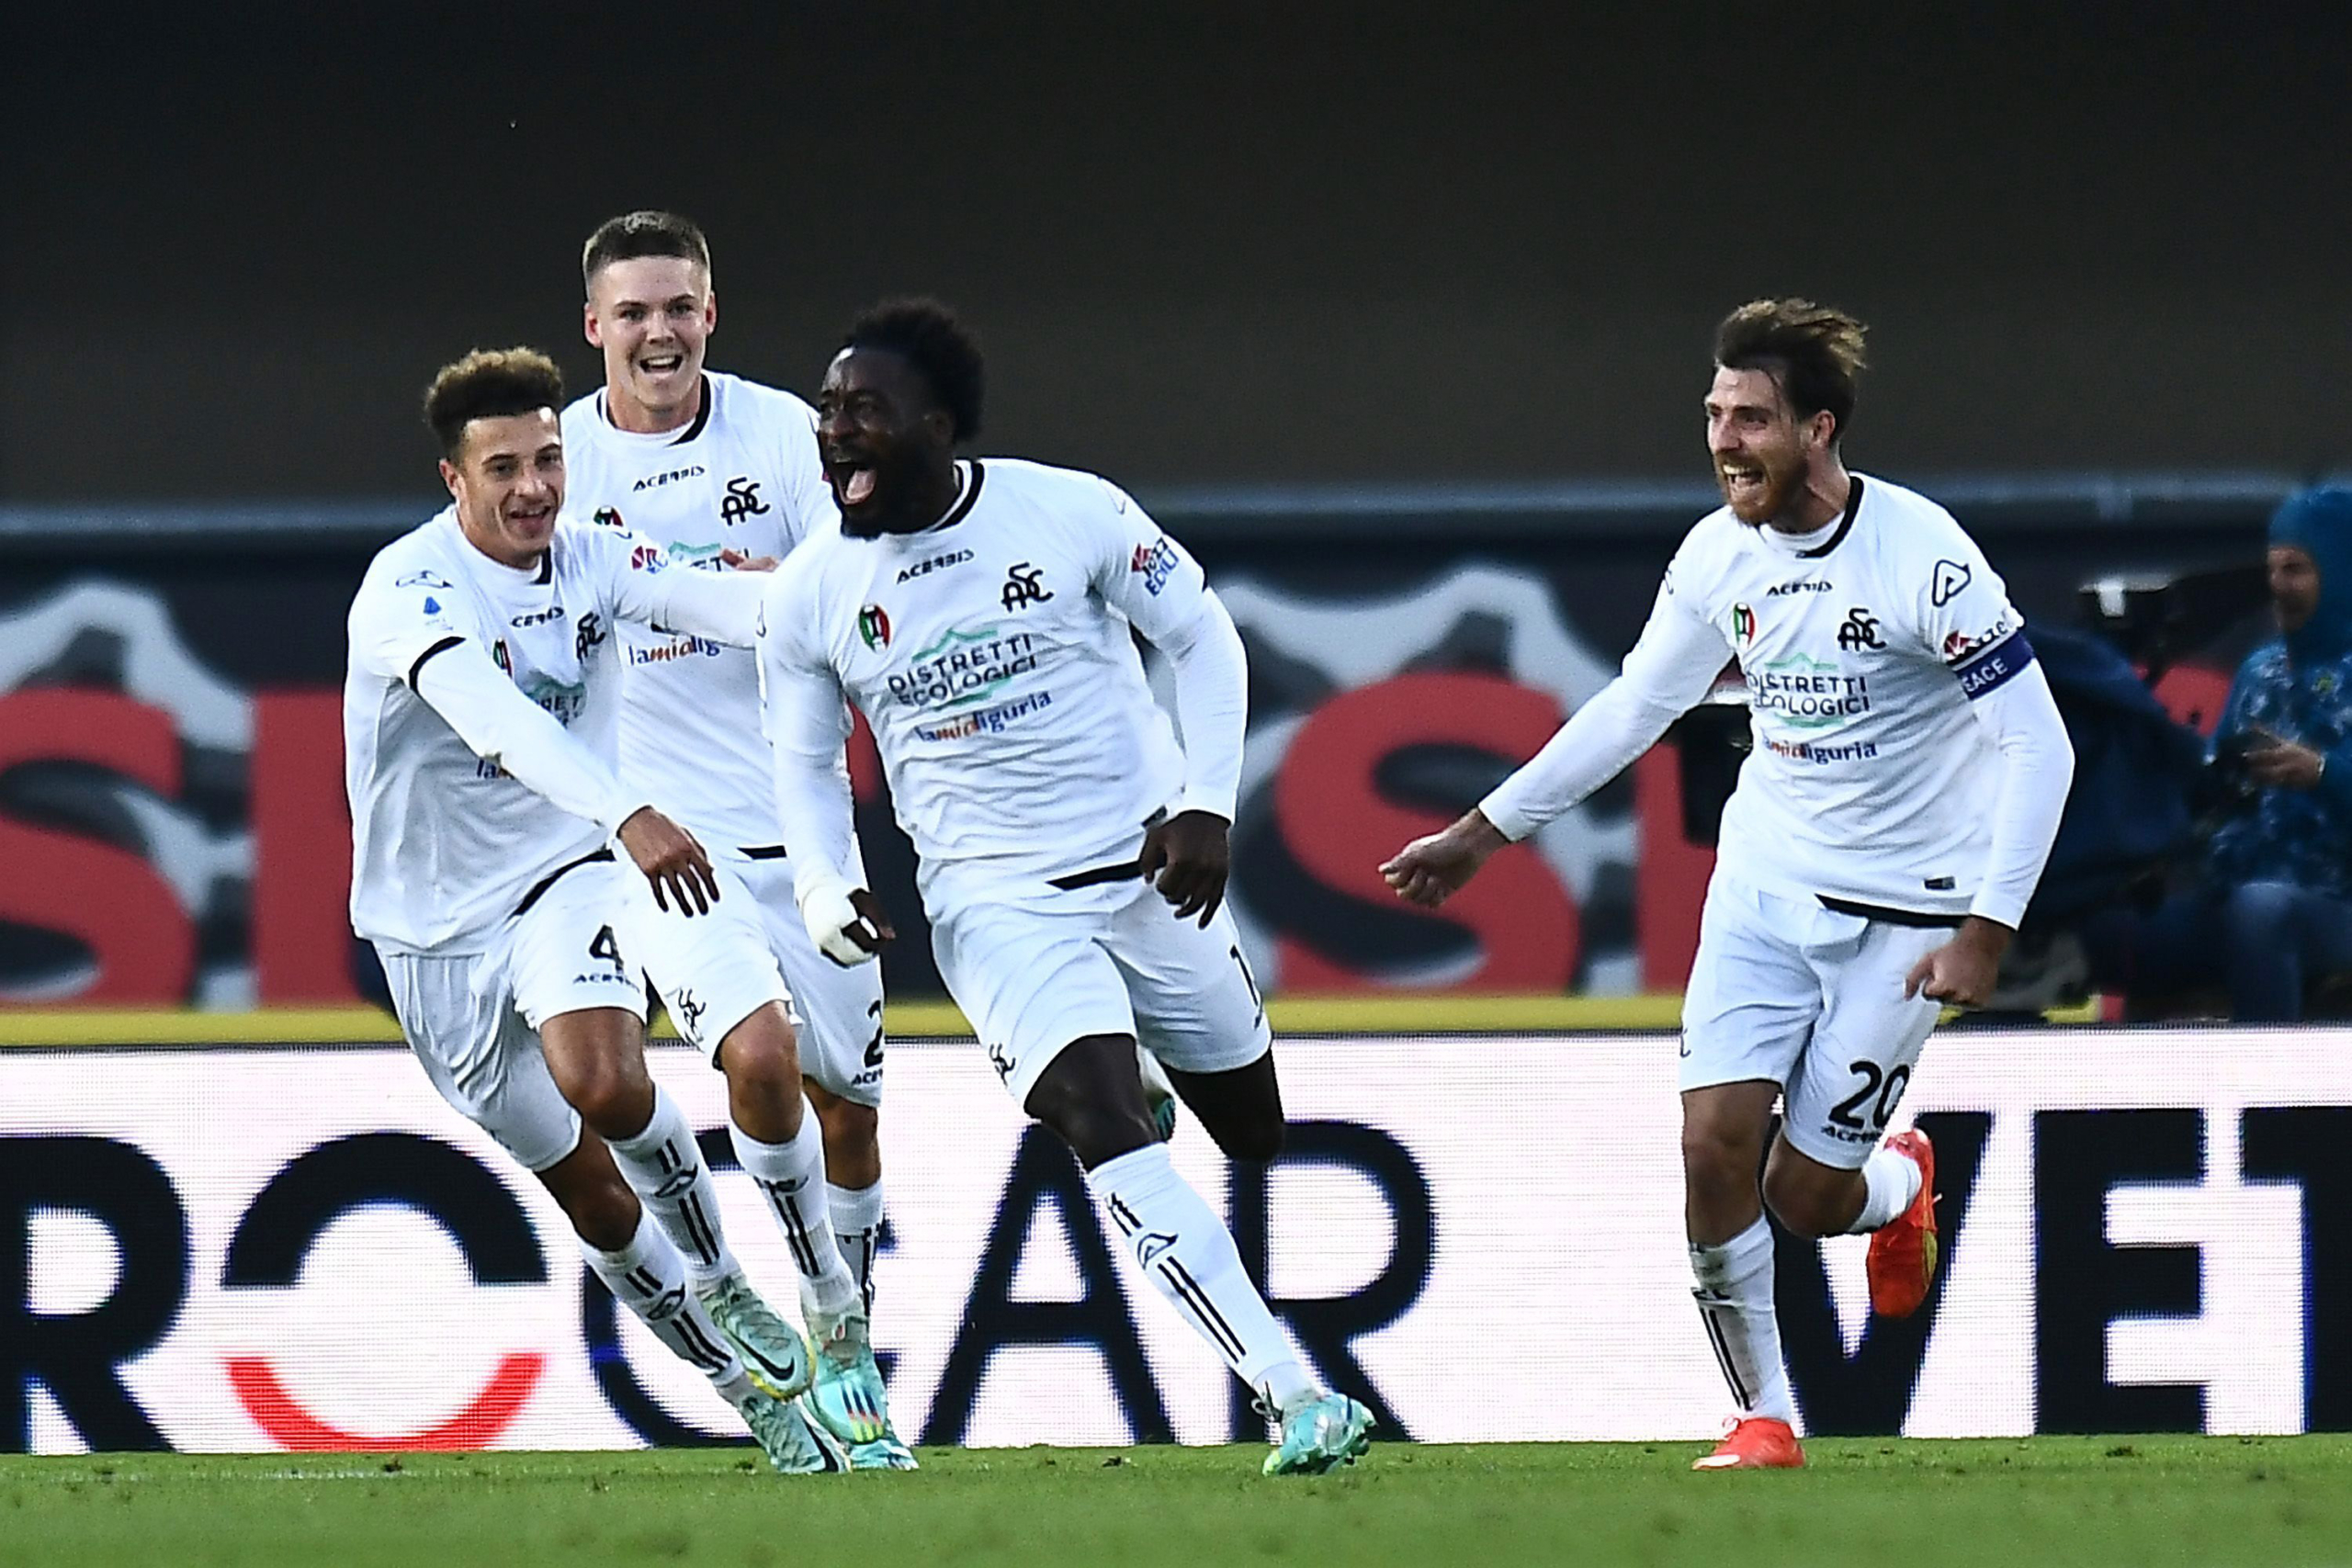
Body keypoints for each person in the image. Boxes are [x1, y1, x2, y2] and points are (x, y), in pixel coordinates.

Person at [1381, 299, 2075, 1470]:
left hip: (1906, 915)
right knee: (1711, 1143)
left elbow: (2038, 746)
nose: (1722, 442)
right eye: (1712, 415)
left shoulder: (1923, 556)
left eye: (1749, 419)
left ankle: (1895, 1185)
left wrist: (1986, 931)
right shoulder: (1716, 556)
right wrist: (1482, 832)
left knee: (1805, 1198)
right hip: (1763, 888)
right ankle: (1761, 1415)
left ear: (1818, 429)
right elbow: (1632, 710)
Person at [756, 299, 1374, 1476]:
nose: (834, 432)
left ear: (939, 426)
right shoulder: (809, 591)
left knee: (1253, 1133)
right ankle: (1295, 1395)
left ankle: (1150, 1073)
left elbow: (1202, 638)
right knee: (1097, 1124)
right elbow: (802, 761)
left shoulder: (1068, 510)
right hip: (994, 906)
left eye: (864, 410)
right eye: (827, 411)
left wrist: (1206, 804)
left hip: (1148, 872)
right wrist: (824, 886)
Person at [345, 347, 844, 1473]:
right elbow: (496, 720)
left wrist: (852, 592)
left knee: (609, 1082)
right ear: (453, 480)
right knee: (593, 1196)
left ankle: (723, 1277)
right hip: (431, 930)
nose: (534, 490)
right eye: (504, 469)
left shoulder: (594, 556)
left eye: (549, 460)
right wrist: (632, 810)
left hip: (564, 872)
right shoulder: (408, 591)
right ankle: (739, 1387)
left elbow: (734, 604)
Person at [557, 210, 908, 1466]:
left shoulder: (782, 435)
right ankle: (813, 1305)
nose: (658, 333)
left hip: (802, 824)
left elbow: (848, 599)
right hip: (666, 838)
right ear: (593, 326)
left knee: (847, 1111)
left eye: (678, 308)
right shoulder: (558, 464)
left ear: (711, 314)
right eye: (632, 313)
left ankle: (851, 1327)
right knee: (758, 1056)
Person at [2086, 486, 2352, 1021]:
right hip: (2231, 895)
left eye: (2295, 569)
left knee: (2262, 912)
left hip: (2330, 904)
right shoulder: (2261, 668)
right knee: (2101, 930)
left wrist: (2322, 774)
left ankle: (2269, 1073)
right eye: (2272, 569)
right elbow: (2210, 782)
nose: (2276, 585)